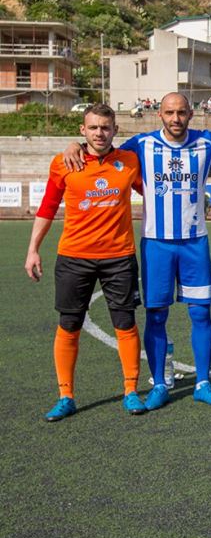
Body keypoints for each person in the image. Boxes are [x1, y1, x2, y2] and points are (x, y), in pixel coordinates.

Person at [62, 93, 211, 410]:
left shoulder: (207, 142)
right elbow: (103, 149)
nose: (176, 118)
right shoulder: (141, 145)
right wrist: (74, 146)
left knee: (201, 313)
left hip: (194, 243)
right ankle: (159, 384)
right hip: (157, 244)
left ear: (190, 114)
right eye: (170, 112)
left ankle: (203, 383)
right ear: (160, 114)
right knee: (157, 314)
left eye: (181, 112)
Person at [25, 104, 146, 421]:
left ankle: (131, 391)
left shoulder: (130, 161)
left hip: (119, 257)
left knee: (125, 322)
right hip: (74, 257)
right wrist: (33, 249)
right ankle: (66, 396)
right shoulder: (64, 162)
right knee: (69, 324)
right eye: (93, 127)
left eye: (105, 127)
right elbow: (47, 207)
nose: (99, 133)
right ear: (83, 130)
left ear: (115, 129)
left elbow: (154, 192)